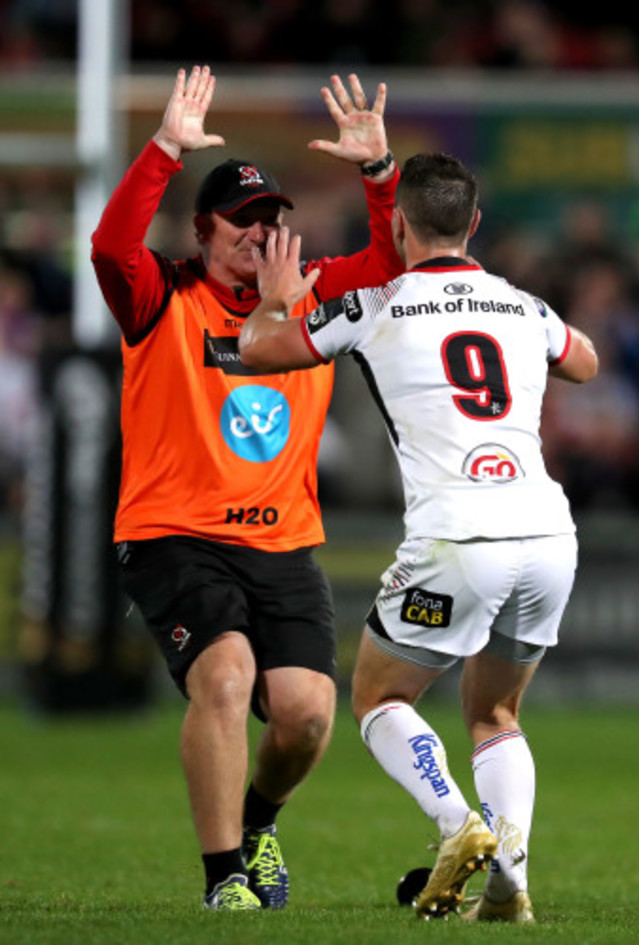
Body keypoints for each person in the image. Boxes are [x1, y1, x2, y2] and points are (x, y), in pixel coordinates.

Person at [238, 152, 598, 922]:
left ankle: (455, 822)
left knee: (377, 695)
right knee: (496, 715)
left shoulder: (378, 302)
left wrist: (273, 302)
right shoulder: (522, 305)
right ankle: (507, 886)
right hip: (546, 534)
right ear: (473, 224)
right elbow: (587, 361)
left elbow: (261, 352)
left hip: (458, 537)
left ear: (398, 224)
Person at [91, 65, 402, 912]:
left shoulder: (313, 297)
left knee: (304, 717)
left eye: (272, 220)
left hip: (282, 540)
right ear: (202, 231)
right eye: (242, 220)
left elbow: (395, 259)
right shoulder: (163, 295)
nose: (261, 234)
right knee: (224, 679)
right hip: (173, 535)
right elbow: (109, 249)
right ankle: (224, 874)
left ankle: (259, 822)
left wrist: (379, 176)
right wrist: (162, 149)